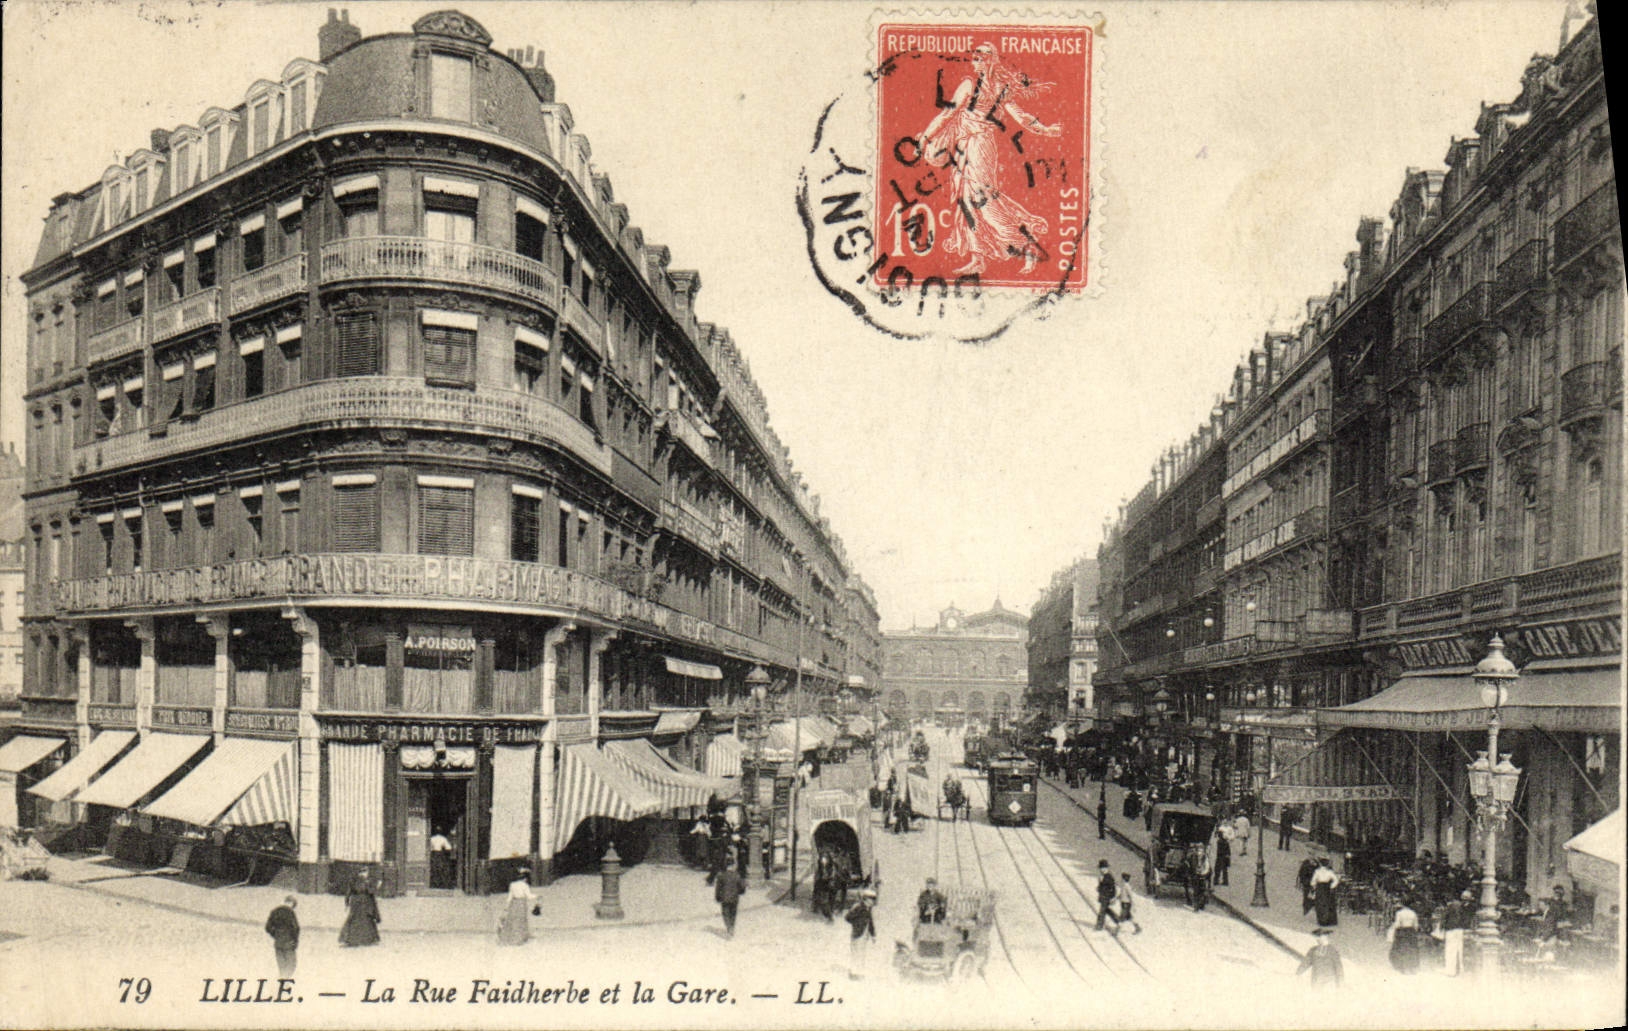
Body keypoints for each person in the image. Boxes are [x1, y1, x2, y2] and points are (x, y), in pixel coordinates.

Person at [917, 43, 1062, 275]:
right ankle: (978, 258)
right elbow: (948, 113)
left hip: (982, 146)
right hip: (964, 144)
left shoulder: (1001, 87)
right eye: (974, 58)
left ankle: (1025, 246)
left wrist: (1045, 130)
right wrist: (925, 138)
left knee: (983, 201)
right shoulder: (968, 84)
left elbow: (1020, 116)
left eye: (982, 57)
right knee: (964, 199)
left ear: (992, 60)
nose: (977, 61)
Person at [339, 872, 381, 947]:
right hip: (364, 902)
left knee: (354, 919)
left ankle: (349, 938)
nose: (366, 874)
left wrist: (347, 902)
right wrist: (377, 887)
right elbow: (370, 891)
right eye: (365, 872)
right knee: (366, 920)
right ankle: (368, 939)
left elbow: (349, 892)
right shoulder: (365, 881)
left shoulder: (354, 880)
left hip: (356, 902)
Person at [1440, 889, 1475, 977]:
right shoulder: (1468, 907)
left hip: (1451, 929)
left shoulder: (1452, 905)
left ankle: (1450, 970)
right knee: (1459, 949)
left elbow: (1444, 917)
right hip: (1460, 930)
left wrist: (1442, 927)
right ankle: (1459, 970)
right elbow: (1467, 919)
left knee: (1450, 950)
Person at [498, 867, 537, 946]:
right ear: (524, 878)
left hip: (514, 903)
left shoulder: (512, 885)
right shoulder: (525, 885)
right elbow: (529, 896)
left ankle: (508, 938)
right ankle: (520, 938)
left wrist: (506, 906)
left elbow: (510, 896)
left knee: (513, 920)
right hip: (522, 903)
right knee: (521, 920)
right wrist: (537, 896)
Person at [264, 895, 300, 977]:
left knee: (282, 967)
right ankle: (285, 982)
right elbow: (295, 928)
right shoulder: (290, 913)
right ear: (291, 903)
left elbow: (267, 927)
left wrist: (276, 934)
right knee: (291, 965)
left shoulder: (275, 911)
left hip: (278, 943)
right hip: (289, 943)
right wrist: (295, 941)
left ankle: (281, 983)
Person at [846, 889, 877, 980]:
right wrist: (856, 924)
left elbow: (870, 922)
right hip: (858, 933)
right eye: (871, 900)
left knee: (861, 954)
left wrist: (873, 934)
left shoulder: (868, 908)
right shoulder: (859, 907)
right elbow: (848, 917)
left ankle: (859, 972)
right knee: (856, 953)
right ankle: (854, 973)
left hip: (864, 934)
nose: (873, 902)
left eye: (873, 900)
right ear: (866, 899)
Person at [1387, 898, 1421, 974]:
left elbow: (1398, 924)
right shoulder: (1413, 913)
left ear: (1402, 905)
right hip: (1411, 931)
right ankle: (1411, 966)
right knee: (1411, 948)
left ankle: (1402, 966)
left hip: (1402, 931)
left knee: (1401, 948)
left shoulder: (1399, 913)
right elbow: (1416, 925)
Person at [714, 862, 745, 938]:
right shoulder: (737, 875)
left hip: (725, 898)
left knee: (725, 913)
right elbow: (742, 887)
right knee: (733, 914)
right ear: (732, 866)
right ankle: (732, 927)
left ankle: (728, 927)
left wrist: (717, 897)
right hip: (734, 898)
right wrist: (740, 892)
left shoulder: (721, 876)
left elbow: (718, 888)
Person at [1310, 858, 1340, 928]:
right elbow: (1336, 880)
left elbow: (1313, 881)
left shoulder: (1317, 871)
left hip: (1320, 888)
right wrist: (1331, 886)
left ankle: (1321, 920)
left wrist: (1314, 887)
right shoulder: (1330, 872)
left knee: (1320, 904)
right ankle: (1328, 920)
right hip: (1327, 888)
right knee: (1328, 903)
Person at [1094, 860, 1118, 932]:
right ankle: (1118, 920)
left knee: (1102, 911)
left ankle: (1099, 926)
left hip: (1107, 897)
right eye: (1101, 868)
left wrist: (1113, 897)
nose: (1102, 870)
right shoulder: (1102, 876)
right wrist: (1099, 888)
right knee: (1107, 910)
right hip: (1103, 896)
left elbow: (1113, 888)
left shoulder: (1109, 877)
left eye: (1104, 868)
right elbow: (1102, 886)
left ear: (1107, 868)